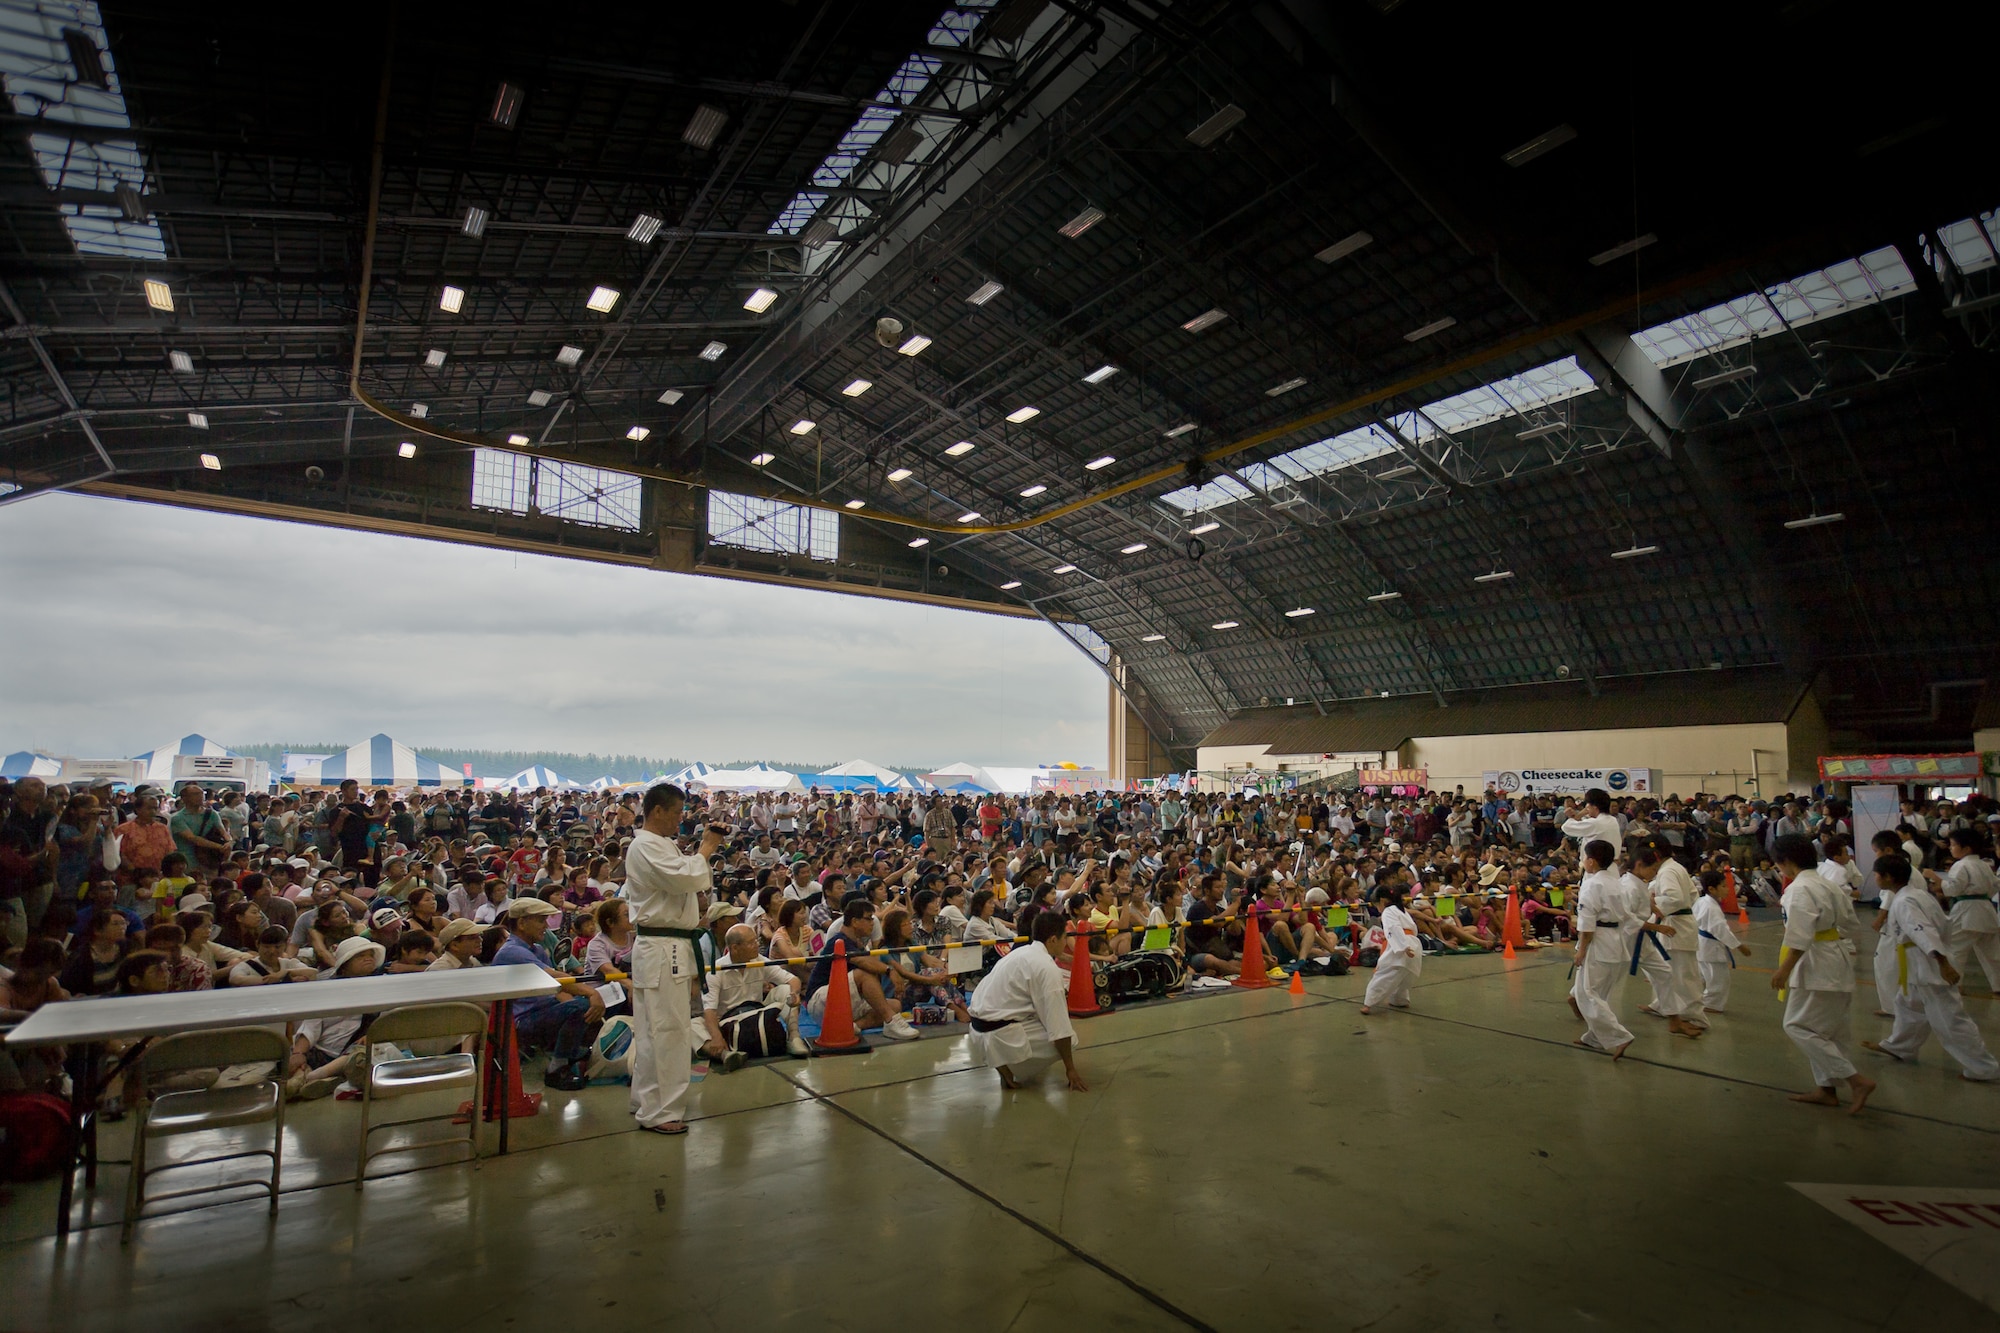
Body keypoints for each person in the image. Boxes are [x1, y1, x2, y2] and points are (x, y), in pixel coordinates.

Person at [623, 784, 726, 1136]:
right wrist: (707, 849)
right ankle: (661, 1110)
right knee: (668, 1031)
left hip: (666, 947)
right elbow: (686, 879)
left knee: (656, 1030)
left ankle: (647, 1100)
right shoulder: (646, 845)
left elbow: (688, 880)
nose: (681, 820)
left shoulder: (660, 845)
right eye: (677, 813)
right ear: (657, 811)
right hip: (662, 947)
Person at [1859, 853, 1997, 1081]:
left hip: (1929, 964)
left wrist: (1943, 963)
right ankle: (1900, 1046)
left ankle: (1983, 1067)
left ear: (1888, 877)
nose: (1874, 878)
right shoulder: (1918, 895)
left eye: (1876, 874)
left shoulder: (1904, 902)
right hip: (1919, 964)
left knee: (1949, 1019)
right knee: (1908, 1006)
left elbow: (1923, 931)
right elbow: (1944, 924)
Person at [1768, 833, 1874, 1115]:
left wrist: (1783, 970)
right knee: (1830, 1032)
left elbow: (1799, 936)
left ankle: (1856, 1080)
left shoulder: (1800, 890)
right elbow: (1851, 925)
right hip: (1835, 956)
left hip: (1816, 963)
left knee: (1797, 1026)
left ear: (1786, 861)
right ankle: (1826, 1090)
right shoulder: (1829, 884)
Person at [966, 910, 1088, 1091]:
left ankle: (1005, 1062)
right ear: (1053, 940)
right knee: (1070, 1038)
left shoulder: (1021, 952)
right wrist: (1070, 1069)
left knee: (1041, 1017)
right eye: (1064, 937)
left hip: (977, 1029)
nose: (1065, 942)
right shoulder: (1047, 968)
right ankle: (1009, 1066)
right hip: (998, 1033)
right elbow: (1059, 1027)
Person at [704, 923, 810, 1063]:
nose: (757, 945)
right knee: (695, 1025)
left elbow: (792, 979)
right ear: (735, 948)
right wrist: (717, 1036)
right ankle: (725, 1055)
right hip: (729, 1022)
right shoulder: (716, 970)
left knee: (785, 990)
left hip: (757, 1015)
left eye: (756, 940)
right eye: (751, 942)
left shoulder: (759, 960)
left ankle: (794, 1037)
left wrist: (795, 994)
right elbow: (709, 1010)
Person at [1570, 839, 1635, 1058]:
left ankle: (1620, 1035)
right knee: (1600, 993)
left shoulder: (1592, 884)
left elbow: (1587, 922)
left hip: (1598, 941)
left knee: (1586, 993)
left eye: (1585, 858)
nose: (1583, 862)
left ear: (1592, 861)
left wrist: (1581, 950)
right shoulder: (1616, 881)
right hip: (1616, 939)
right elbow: (1626, 914)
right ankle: (1595, 1038)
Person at [1925, 826, 2000, 993]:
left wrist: (1935, 878)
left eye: (1953, 845)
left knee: (1954, 948)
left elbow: (1954, 889)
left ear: (1966, 848)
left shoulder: (1961, 865)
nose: (1950, 848)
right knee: (1993, 954)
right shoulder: (1984, 864)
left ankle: (1954, 984)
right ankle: (1998, 985)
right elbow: (1995, 887)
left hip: (1967, 911)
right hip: (1987, 910)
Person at [1360, 881, 1421, 1016]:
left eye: (1376, 906)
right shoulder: (1401, 910)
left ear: (1382, 901)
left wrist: (1403, 946)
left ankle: (1368, 1004)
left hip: (1401, 946)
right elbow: (1411, 929)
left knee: (1384, 974)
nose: (1377, 909)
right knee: (1402, 976)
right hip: (1413, 944)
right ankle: (1400, 1000)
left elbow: (1394, 928)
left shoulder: (1388, 911)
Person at [1693, 870, 1749, 1012]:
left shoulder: (1702, 901)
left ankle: (1700, 1000)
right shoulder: (1711, 907)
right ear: (1712, 889)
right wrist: (1739, 945)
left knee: (1706, 976)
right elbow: (1720, 929)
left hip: (1702, 944)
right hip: (1711, 947)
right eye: (1723, 886)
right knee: (1718, 979)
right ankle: (1710, 1004)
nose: (1728, 889)